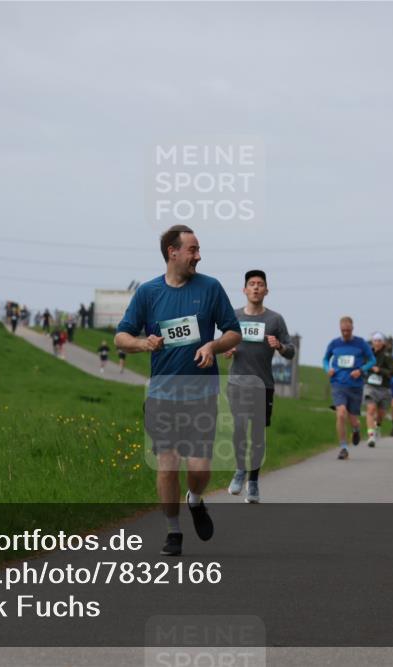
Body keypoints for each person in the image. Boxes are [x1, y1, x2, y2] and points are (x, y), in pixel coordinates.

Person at [114, 225, 241, 557]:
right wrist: (143, 343)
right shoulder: (148, 292)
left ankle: (195, 500)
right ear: (173, 252)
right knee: (167, 464)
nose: (198, 256)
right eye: (192, 250)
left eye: (198, 250)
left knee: (199, 469)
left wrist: (213, 345)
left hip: (201, 392)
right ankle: (173, 532)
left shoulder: (210, 288)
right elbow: (121, 338)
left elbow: (234, 332)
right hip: (162, 394)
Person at [223, 270, 295, 503]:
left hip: (263, 384)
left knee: (257, 434)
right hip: (237, 381)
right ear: (244, 290)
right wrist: (226, 350)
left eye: (260, 284)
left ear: (266, 291)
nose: (255, 287)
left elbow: (291, 350)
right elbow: (222, 343)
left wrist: (280, 346)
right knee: (240, 428)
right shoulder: (233, 317)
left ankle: (253, 482)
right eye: (251, 284)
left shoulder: (275, 320)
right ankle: (239, 470)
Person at [323, 316, 376, 460]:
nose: (345, 333)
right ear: (340, 329)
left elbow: (372, 360)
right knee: (340, 413)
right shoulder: (334, 344)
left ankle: (356, 429)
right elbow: (325, 359)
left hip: (355, 386)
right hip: (338, 384)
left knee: (354, 420)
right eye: (343, 330)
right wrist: (328, 368)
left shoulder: (360, 343)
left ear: (352, 328)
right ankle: (343, 447)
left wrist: (361, 370)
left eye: (347, 330)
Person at [363, 332, 393, 448]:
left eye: (379, 341)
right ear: (372, 342)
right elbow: (361, 366)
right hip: (370, 386)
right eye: (375, 340)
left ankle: (377, 426)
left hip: (384, 388)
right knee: (371, 409)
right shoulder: (368, 355)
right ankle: (371, 436)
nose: (377, 343)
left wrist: (380, 370)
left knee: (381, 414)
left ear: (383, 343)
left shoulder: (388, 356)